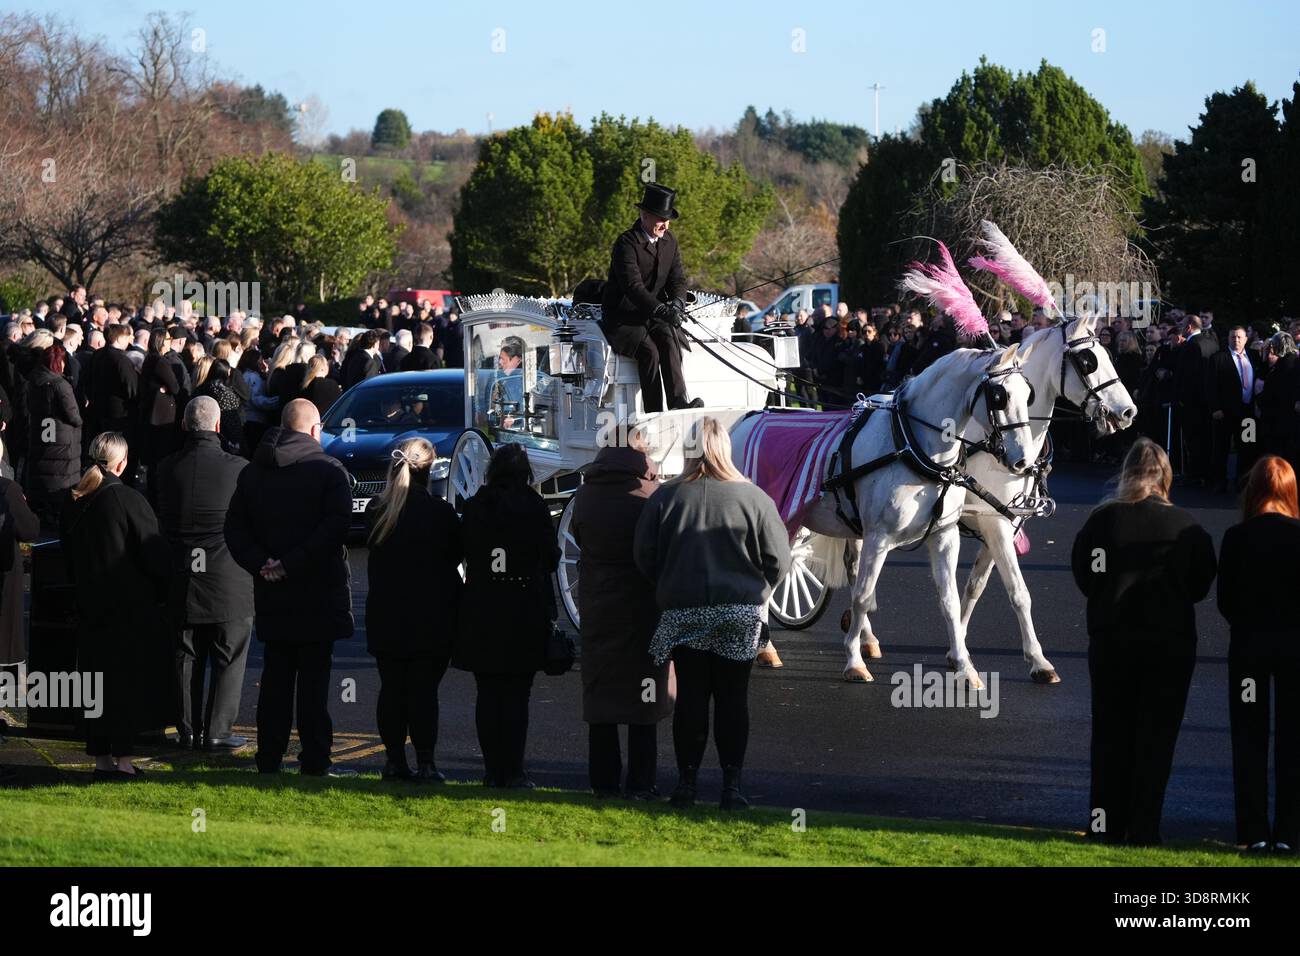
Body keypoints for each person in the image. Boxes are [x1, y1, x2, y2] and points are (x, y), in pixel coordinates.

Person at [634, 417, 791, 809]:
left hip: (683, 609)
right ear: (725, 448)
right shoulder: (754, 498)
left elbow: (644, 556)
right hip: (738, 611)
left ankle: (686, 785)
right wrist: (759, 592)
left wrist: (668, 582)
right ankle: (731, 787)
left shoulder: (665, 498)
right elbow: (779, 559)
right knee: (733, 699)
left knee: (691, 698)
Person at [1070, 438, 1217, 844]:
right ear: (1165, 477)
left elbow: (1086, 574)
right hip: (1168, 645)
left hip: (1112, 641)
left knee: (1109, 736)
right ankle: (1144, 827)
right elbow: (1200, 584)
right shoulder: (1186, 527)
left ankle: (1104, 825)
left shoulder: (1102, 521)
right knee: (1157, 738)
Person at [224, 399, 355, 777]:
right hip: (315, 591)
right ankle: (314, 760)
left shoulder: (253, 472)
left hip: (272, 593)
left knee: (276, 681)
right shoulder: (328, 471)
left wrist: (263, 563)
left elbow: (234, 529)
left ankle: (269, 758)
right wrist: (291, 563)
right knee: (314, 685)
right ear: (314, 430)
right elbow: (336, 528)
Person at [60, 432, 172, 778]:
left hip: (89, 606)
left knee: (95, 683)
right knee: (123, 686)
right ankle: (124, 761)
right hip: (127, 610)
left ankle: (101, 759)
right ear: (121, 463)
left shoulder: (76, 499)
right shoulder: (127, 499)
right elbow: (155, 554)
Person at [570, 430, 672, 799]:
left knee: (602, 698)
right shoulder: (652, 496)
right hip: (644, 606)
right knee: (644, 699)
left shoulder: (585, 495)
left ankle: (604, 781)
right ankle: (642, 783)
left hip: (600, 604)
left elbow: (581, 539)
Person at [452, 444, 560, 788]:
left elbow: (463, 549)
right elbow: (551, 557)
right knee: (517, 695)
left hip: (483, 604)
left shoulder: (475, 506)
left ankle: (491, 769)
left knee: (488, 693)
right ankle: (513, 770)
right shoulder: (534, 506)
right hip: (523, 606)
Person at [156, 397, 254, 751]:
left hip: (182, 574)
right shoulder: (239, 468)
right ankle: (217, 730)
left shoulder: (166, 468)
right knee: (229, 658)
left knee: (185, 656)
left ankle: (186, 730)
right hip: (229, 577)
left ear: (184, 425)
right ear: (217, 426)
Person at [365, 438, 463, 782]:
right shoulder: (440, 513)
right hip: (430, 617)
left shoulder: (377, 511)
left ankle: (394, 761)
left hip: (386, 615)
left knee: (392, 690)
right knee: (423, 693)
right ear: (430, 469)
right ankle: (426, 762)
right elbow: (454, 559)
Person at [1217, 455, 1300, 853]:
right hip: (1294, 652)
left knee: (1248, 739)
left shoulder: (1237, 538)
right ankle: (1289, 831)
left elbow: (1226, 601)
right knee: (1292, 739)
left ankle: (1253, 831)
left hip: (1249, 648)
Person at [599, 183, 702, 413]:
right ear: (644, 215)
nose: (665, 224)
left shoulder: (670, 241)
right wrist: (660, 310)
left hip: (653, 316)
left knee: (669, 338)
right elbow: (632, 287)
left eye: (668, 219)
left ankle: (678, 404)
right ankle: (654, 412)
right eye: (660, 218)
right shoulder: (626, 243)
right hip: (623, 318)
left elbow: (678, 280)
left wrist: (677, 303)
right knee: (650, 352)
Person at [23, 339, 82, 532]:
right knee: (60, 479)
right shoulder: (60, 385)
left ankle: (45, 515)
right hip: (63, 440)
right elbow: (73, 415)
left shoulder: (33, 381)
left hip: (42, 432)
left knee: (44, 472)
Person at [1208, 326, 1261, 492]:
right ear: (1228, 339)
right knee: (1221, 447)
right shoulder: (1218, 358)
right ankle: (1219, 480)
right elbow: (1210, 386)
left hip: (1247, 413)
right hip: (1225, 413)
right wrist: (1215, 407)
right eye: (1233, 337)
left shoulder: (1254, 356)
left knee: (1247, 446)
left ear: (1246, 339)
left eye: (1239, 337)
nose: (1236, 340)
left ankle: (1243, 481)